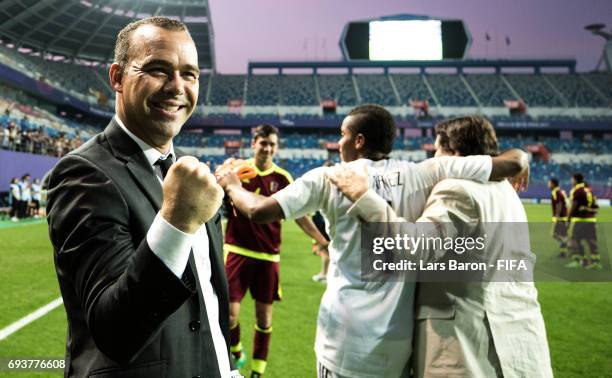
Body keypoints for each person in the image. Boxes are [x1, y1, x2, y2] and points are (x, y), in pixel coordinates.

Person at [217, 106, 528, 378]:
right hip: (398, 345)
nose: (338, 142)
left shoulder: (328, 177)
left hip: (344, 339)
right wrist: (523, 157)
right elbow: (509, 163)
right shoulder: (425, 172)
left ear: (358, 140)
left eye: (342, 134)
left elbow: (257, 210)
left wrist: (231, 184)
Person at [47, 17, 239, 378]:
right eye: (157, 69)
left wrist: (225, 369)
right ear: (117, 78)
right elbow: (114, 330)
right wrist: (177, 222)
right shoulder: (84, 174)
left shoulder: (188, 172)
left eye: (190, 74)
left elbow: (207, 303)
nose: (177, 87)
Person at [327, 115, 552, 378]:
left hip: (468, 350)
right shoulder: (507, 191)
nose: (433, 157)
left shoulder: (457, 190)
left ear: (454, 154)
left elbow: (412, 249)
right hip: (521, 339)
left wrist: (365, 198)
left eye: (437, 149)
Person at [223, 124, 329, 377]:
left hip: (268, 257)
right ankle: (236, 350)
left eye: (272, 144)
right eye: (263, 143)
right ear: (254, 144)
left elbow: (300, 214)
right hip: (237, 250)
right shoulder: (237, 172)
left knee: (264, 319)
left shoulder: (282, 178)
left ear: (276, 147)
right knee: (230, 316)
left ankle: (258, 371)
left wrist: (320, 239)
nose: (268, 148)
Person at [565, 173, 600, 269]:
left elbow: (573, 206)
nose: (571, 181)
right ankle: (595, 262)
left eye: (572, 179)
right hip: (591, 219)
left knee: (575, 240)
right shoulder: (589, 190)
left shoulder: (576, 190)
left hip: (579, 220)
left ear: (575, 180)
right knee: (591, 240)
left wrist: (568, 219)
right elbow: (596, 207)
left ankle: (580, 261)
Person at [548, 178, 569, 257]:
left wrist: (557, 216)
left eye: (549, 183)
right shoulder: (560, 191)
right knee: (562, 235)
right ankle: (563, 252)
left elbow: (559, 204)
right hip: (563, 217)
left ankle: (569, 244)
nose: (548, 185)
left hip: (560, 218)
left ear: (553, 184)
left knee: (554, 234)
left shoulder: (556, 192)